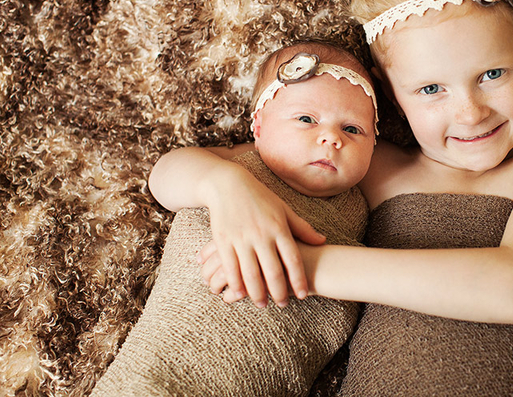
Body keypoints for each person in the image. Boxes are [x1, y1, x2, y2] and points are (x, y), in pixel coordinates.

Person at [149, 0, 513, 395]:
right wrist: (227, 188)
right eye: (431, 89)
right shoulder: (367, 166)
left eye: (493, 74)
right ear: (389, 93)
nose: (470, 112)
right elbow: (168, 175)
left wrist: (307, 266)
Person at [91, 41, 379, 397]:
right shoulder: (239, 162)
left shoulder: (364, 207)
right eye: (306, 119)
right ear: (258, 125)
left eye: (353, 129)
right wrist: (226, 184)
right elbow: (163, 175)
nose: (331, 138)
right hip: (160, 371)